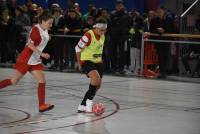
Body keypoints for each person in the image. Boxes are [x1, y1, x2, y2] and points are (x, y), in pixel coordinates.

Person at [0, 10, 54, 112]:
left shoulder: (44, 29)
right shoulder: (35, 30)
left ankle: (42, 105)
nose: (51, 25)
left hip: (35, 60)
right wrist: (42, 54)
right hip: (26, 59)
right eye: (49, 23)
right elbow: (29, 45)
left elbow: (42, 39)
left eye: (52, 23)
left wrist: (46, 39)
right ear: (42, 21)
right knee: (14, 81)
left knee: (42, 80)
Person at [75, 18, 107, 112]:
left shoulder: (103, 35)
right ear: (95, 28)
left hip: (98, 61)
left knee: (98, 85)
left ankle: (82, 105)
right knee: (95, 78)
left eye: (104, 30)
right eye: (101, 30)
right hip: (86, 60)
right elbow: (77, 48)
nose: (103, 32)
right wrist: (79, 63)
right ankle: (89, 104)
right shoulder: (88, 35)